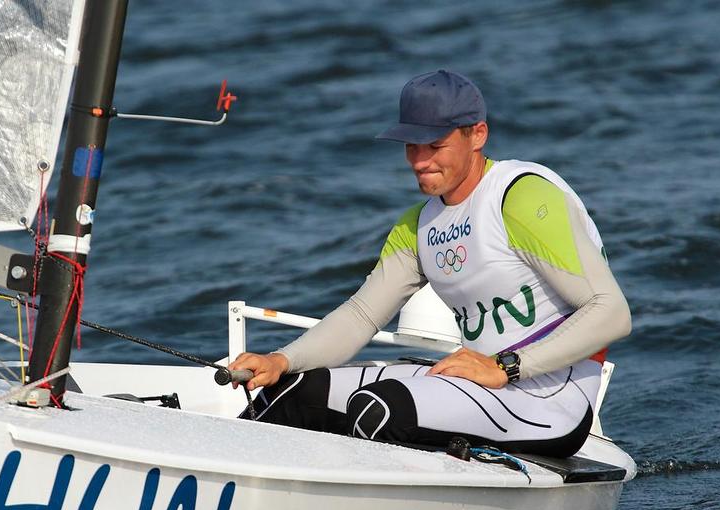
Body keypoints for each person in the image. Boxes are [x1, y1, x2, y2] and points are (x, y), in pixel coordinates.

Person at [229, 70, 631, 457]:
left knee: (379, 408)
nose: (419, 161)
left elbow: (611, 312)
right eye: (411, 146)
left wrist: (505, 367)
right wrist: (281, 360)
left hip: (549, 400)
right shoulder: (418, 225)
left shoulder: (522, 197)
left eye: (434, 145)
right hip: (476, 384)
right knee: (291, 391)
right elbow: (361, 315)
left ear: (478, 135)